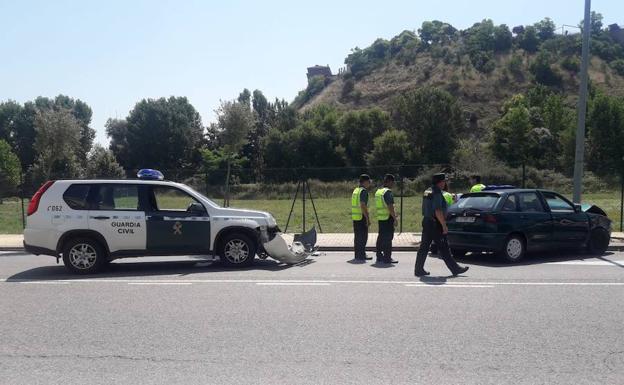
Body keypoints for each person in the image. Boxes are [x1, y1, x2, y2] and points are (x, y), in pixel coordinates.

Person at [415, 173, 469, 277]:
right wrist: (444, 225)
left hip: (427, 221)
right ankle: (455, 269)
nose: (445, 183)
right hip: (435, 223)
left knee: (424, 247)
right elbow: (438, 210)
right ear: (440, 182)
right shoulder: (437, 192)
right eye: (444, 181)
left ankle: (418, 269)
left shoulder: (428, 190)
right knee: (444, 247)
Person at [375, 174, 398, 264]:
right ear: (389, 181)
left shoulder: (378, 192)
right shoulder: (387, 192)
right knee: (388, 239)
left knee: (380, 237)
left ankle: (379, 256)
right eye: (393, 182)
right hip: (388, 218)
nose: (393, 184)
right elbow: (390, 206)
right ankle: (387, 258)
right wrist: (395, 218)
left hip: (381, 218)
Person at [351, 174, 372, 261]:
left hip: (355, 217)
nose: (369, 183)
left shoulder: (356, 190)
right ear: (365, 181)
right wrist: (367, 218)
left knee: (357, 237)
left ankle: (357, 255)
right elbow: (363, 205)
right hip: (361, 216)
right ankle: (362, 255)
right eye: (369, 181)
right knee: (363, 237)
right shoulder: (363, 191)